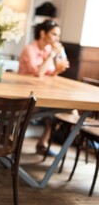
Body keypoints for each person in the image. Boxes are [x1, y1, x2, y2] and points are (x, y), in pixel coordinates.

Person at [18, 19, 70, 156]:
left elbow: (50, 73)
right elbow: (39, 73)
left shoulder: (48, 49)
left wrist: (59, 68)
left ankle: (43, 143)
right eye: (54, 34)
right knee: (55, 112)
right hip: (24, 95)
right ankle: (12, 145)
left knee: (67, 110)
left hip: (44, 92)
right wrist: (52, 54)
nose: (57, 38)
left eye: (58, 35)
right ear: (43, 33)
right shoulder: (29, 49)